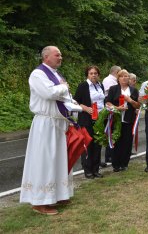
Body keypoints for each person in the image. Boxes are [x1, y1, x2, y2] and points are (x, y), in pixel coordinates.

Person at [20, 46, 82, 215]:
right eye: (57, 55)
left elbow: (64, 97)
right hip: (45, 123)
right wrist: (63, 88)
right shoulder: (38, 74)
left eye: (61, 54)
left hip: (58, 123)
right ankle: (39, 202)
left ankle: (59, 194)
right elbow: (48, 94)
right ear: (46, 56)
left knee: (59, 159)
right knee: (45, 160)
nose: (60, 57)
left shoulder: (56, 74)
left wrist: (74, 105)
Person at [105, 69, 140, 172]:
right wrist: (117, 108)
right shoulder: (113, 89)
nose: (124, 78)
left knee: (127, 142)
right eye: (122, 76)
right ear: (118, 78)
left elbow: (138, 105)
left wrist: (130, 101)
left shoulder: (133, 90)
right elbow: (107, 103)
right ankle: (116, 164)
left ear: (129, 78)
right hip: (116, 119)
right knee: (116, 142)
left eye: (126, 76)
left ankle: (124, 163)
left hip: (129, 120)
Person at [74, 66, 105, 179]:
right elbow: (75, 101)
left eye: (95, 73)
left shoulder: (100, 85)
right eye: (91, 73)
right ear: (87, 75)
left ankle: (96, 169)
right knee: (88, 144)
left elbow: (102, 101)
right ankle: (87, 170)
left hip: (100, 119)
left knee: (98, 144)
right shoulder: (83, 86)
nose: (93, 75)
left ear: (98, 74)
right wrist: (85, 108)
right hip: (87, 119)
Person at [102, 65, 121, 164]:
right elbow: (110, 95)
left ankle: (113, 154)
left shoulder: (113, 81)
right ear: (117, 72)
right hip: (110, 107)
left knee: (114, 130)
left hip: (114, 107)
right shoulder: (109, 80)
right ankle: (108, 155)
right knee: (110, 131)